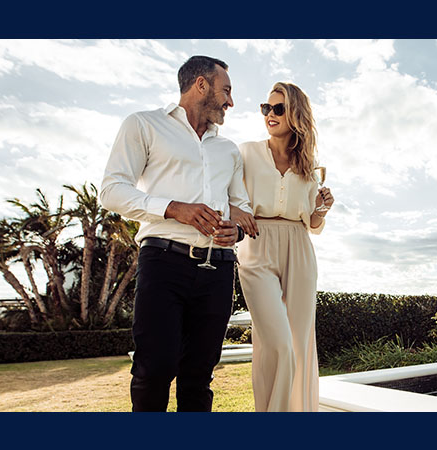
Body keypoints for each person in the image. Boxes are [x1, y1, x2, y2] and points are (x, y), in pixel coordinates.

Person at [100, 55, 252, 412]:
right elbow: (111, 191)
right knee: (156, 368)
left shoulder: (228, 150)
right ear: (201, 84)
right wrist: (173, 208)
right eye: (226, 90)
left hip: (219, 270)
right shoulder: (143, 125)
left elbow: (239, 208)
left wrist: (236, 232)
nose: (231, 101)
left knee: (199, 375)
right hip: (163, 262)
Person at [231, 82, 334, 412]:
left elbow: (313, 226)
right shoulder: (245, 152)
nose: (270, 115)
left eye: (278, 108)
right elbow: (228, 197)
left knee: (300, 345)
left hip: (299, 248)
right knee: (276, 344)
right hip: (256, 244)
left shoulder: (308, 165)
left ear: (296, 115)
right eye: (266, 108)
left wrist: (321, 208)